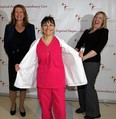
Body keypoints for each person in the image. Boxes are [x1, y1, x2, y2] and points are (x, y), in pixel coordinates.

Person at [14, 16, 87, 119]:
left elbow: (71, 55)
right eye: (45, 25)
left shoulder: (60, 42)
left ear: (54, 27)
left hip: (58, 82)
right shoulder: (35, 44)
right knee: (45, 109)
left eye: (51, 25)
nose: (48, 27)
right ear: (41, 27)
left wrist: (78, 56)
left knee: (60, 109)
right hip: (43, 82)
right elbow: (29, 61)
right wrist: (20, 66)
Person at [75, 11, 109, 119]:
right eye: (96, 17)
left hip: (92, 62)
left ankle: (94, 113)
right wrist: (73, 54)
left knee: (89, 86)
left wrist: (84, 57)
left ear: (103, 21)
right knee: (80, 84)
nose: (97, 19)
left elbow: (97, 49)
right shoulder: (86, 31)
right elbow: (78, 45)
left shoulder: (103, 31)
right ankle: (83, 107)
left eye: (100, 18)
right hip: (81, 62)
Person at [4, 4, 36, 117]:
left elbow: (33, 45)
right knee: (13, 86)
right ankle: (13, 104)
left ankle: (21, 105)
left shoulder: (30, 27)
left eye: (21, 12)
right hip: (13, 61)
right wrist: (14, 61)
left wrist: (27, 62)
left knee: (23, 86)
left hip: (26, 62)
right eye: (16, 12)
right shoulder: (9, 28)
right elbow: (6, 45)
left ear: (24, 14)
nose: (19, 14)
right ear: (13, 14)